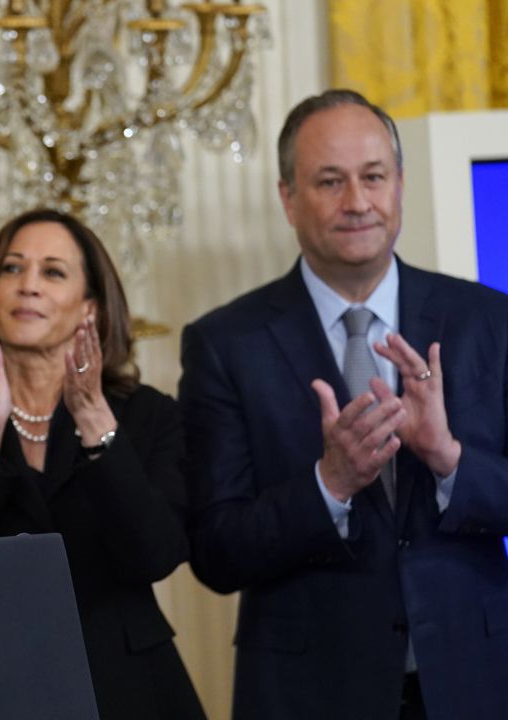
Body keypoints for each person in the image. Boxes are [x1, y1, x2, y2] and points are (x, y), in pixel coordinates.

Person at [180, 89, 508, 720]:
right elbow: (216, 552)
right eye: (330, 181)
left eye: (373, 177)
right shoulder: (226, 345)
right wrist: (327, 485)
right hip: (310, 693)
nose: (357, 202)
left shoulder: (486, 320)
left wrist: (449, 459)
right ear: (287, 198)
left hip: (474, 683)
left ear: (400, 185)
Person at [0, 208, 206, 719]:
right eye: (12, 269)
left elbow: (156, 555)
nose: (28, 285)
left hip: (129, 686)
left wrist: (93, 417)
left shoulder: (146, 415)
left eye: (53, 272)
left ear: (90, 309)